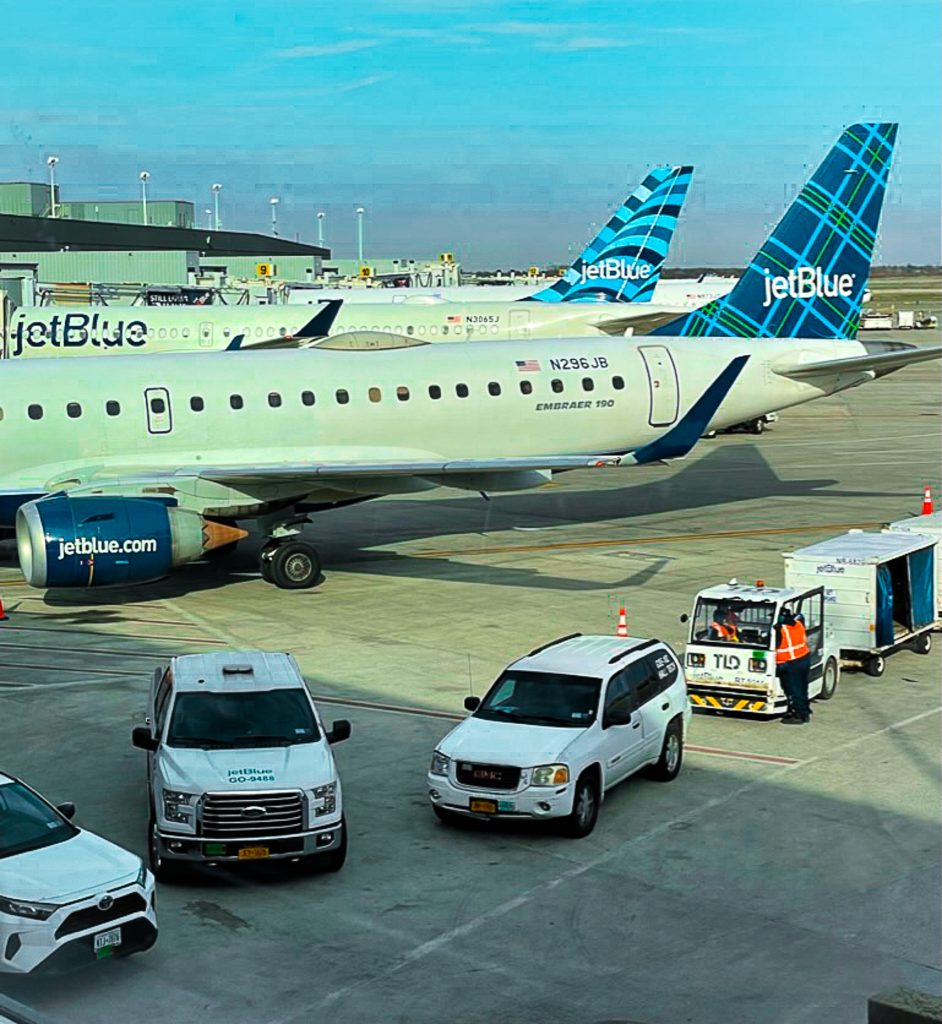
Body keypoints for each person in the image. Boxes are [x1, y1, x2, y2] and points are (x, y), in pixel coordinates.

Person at [775, 607, 811, 724]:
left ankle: (799, 715)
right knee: (802, 687)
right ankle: (805, 710)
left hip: (791, 662)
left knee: (794, 689)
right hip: (804, 658)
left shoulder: (781, 630)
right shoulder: (798, 624)